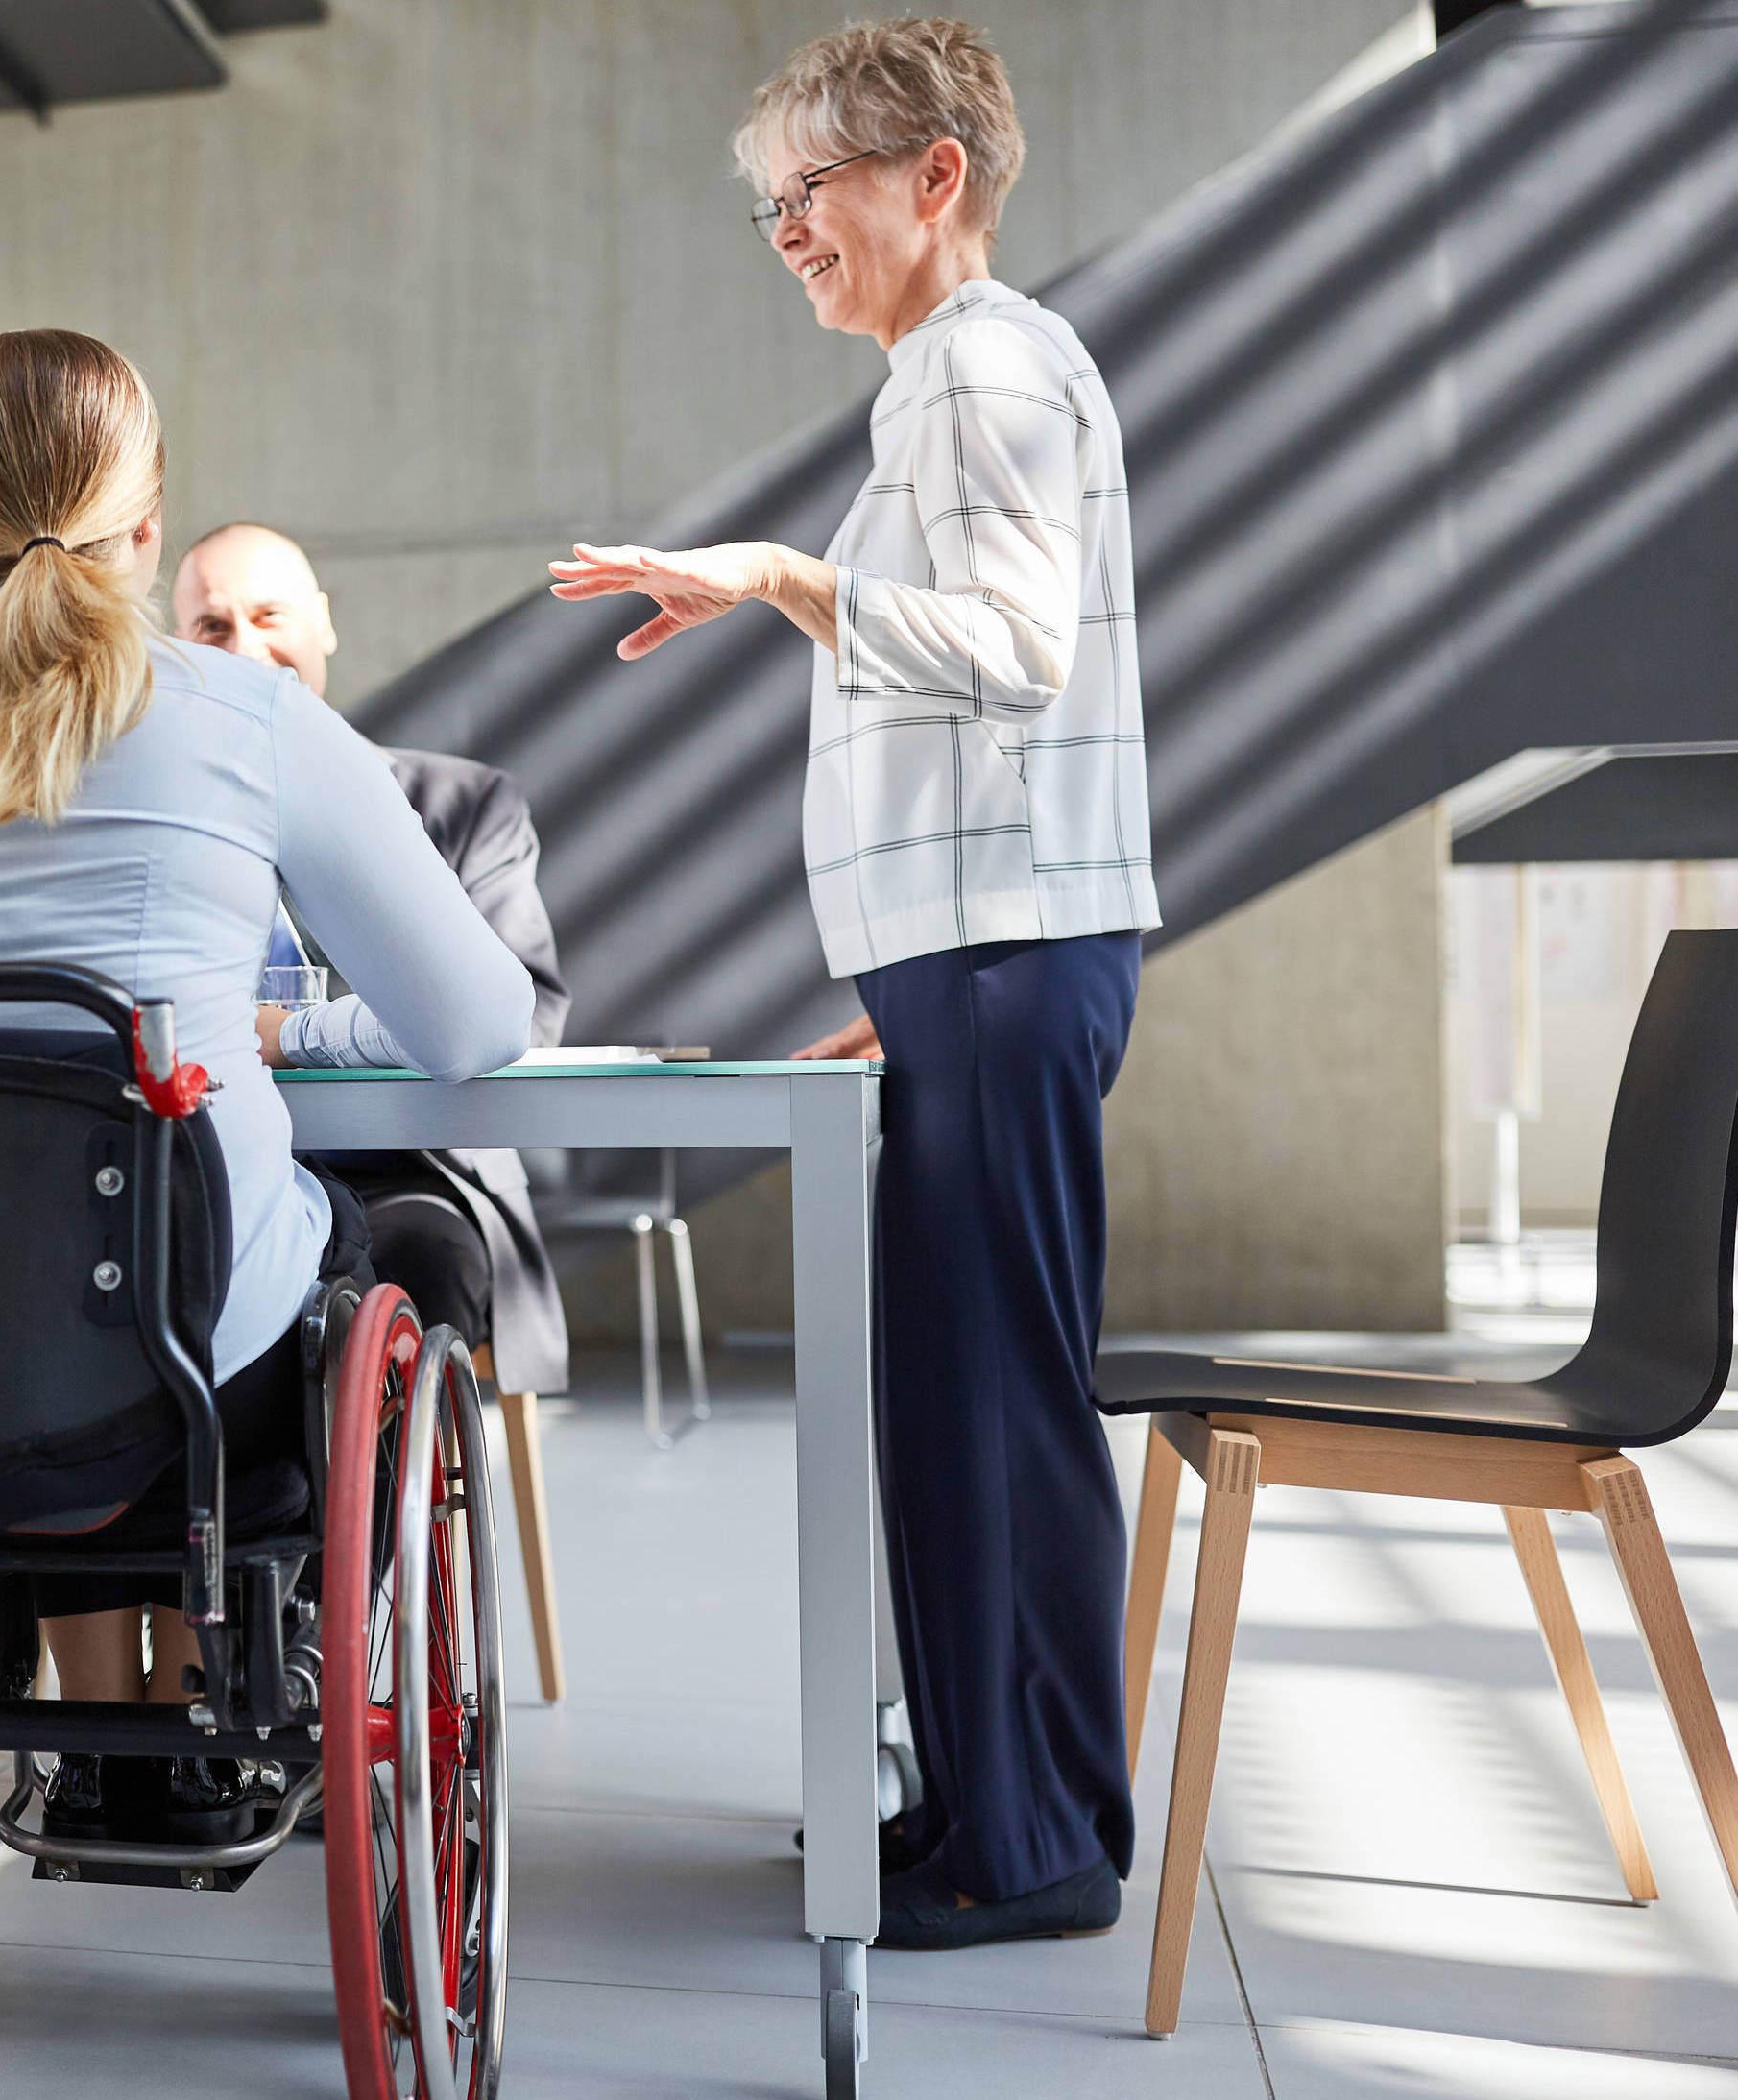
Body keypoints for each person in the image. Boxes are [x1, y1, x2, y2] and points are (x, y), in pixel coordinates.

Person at [0, 327, 531, 1842]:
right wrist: (281, 1031)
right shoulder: (253, 719)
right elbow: (478, 1023)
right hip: (192, 1368)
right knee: (351, 1254)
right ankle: (226, 1668)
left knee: (35, 1254)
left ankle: (100, 1719)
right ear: (148, 517)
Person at [549, 17, 1155, 1950]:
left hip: (1004, 958)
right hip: (966, 962)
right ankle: (990, 1800)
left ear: (930, 176)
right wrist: (905, 981)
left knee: (988, 1399)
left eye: (804, 190)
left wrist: (782, 580)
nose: (783, 229)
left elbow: (1011, 647)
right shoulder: (951, 373)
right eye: (768, 204)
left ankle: (1029, 1842)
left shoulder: (974, 357)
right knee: (955, 1390)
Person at [170, 522, 571, 1399]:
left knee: (411, 1263)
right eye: (211, 627)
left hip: (408, 1165)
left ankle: (352, 1537)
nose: (245, 645)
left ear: (323, 621)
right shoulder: (170, 820)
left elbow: (524, 1014)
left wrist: (295, 1035)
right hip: (210, 1161)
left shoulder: (463, 805)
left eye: (268, 613)